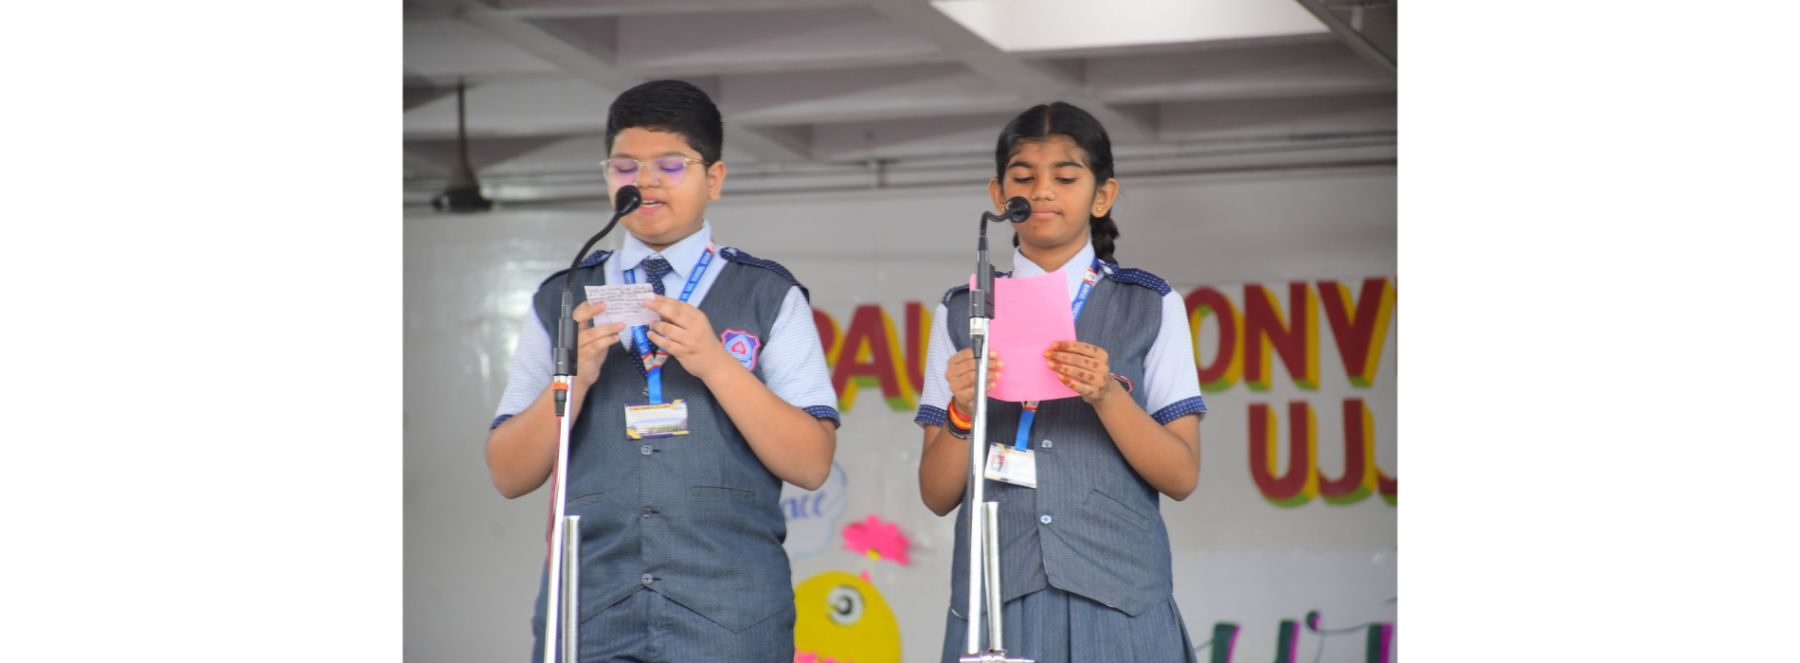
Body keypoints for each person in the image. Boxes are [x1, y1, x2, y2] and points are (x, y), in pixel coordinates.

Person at [486, 79, 839, 663]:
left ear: (714, 178)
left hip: (731, 615)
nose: (644, 182)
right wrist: (572, 381)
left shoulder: (768, 294)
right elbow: (507, 473)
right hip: (588, 614)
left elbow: (811, 463)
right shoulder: (563, 296)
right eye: (625, 166)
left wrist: (717, 365)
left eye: (670, 166)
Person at [914, 102, 1208, 663]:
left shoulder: (1149, 304)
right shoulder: (962, 311)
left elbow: (1182, 475)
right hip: (999, 595)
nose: (1043, 191)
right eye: (1024, 177)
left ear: (1102, 196)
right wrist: (961, 411)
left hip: (1120, 597)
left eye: (1066, 178)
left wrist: (1107, 395)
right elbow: (936, 494)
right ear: (1000, 195)